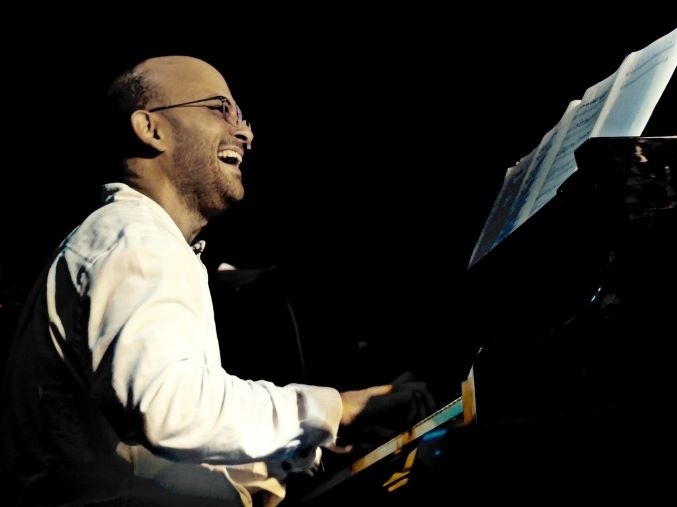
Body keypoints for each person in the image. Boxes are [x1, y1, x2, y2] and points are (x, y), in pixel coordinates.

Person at [0, 55, 395, 507]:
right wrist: (334, 410)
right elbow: (170, 407)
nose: (244, 133)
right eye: (220, 109)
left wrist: (300, 451)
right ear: (151, 129)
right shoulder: (136, 238)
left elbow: (150, 458)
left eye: (242, 117)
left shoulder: (132, 238)